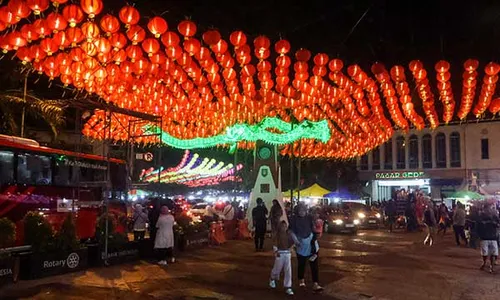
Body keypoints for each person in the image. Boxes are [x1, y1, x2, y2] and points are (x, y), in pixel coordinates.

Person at [290, 203, 323, 292]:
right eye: (300, 210)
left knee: (314, 265)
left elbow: (315, 225)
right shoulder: (294, 220)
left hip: (311, 243)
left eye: (303, 210)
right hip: (301, 244)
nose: (302, 212)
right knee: (302, 263)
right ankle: (301, 280)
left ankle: (316, 283)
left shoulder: (309, 218)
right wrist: (296, 241)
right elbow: (291, 231)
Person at [269, 220, 294, 296]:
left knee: (288, 270)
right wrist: (276, 251)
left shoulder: (289, 234)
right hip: (280, 253)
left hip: (287, 254)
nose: (284, 228)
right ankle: (272, 278)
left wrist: (291, 249)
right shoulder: (277, 235)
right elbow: (275, 243)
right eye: (282, 226)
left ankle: (288, 286)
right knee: (277, 269)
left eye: (285, 226)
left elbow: (292, 243)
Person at [477, 206, 499, 273]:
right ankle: (485, 264)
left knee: (492, 253)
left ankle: (491, 266)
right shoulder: (481, 217)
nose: (489, 211)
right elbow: (478, 227)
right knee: (485, 253)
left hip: (492, 238)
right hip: (486, 238)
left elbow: (497, 225)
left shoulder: (494, 217)